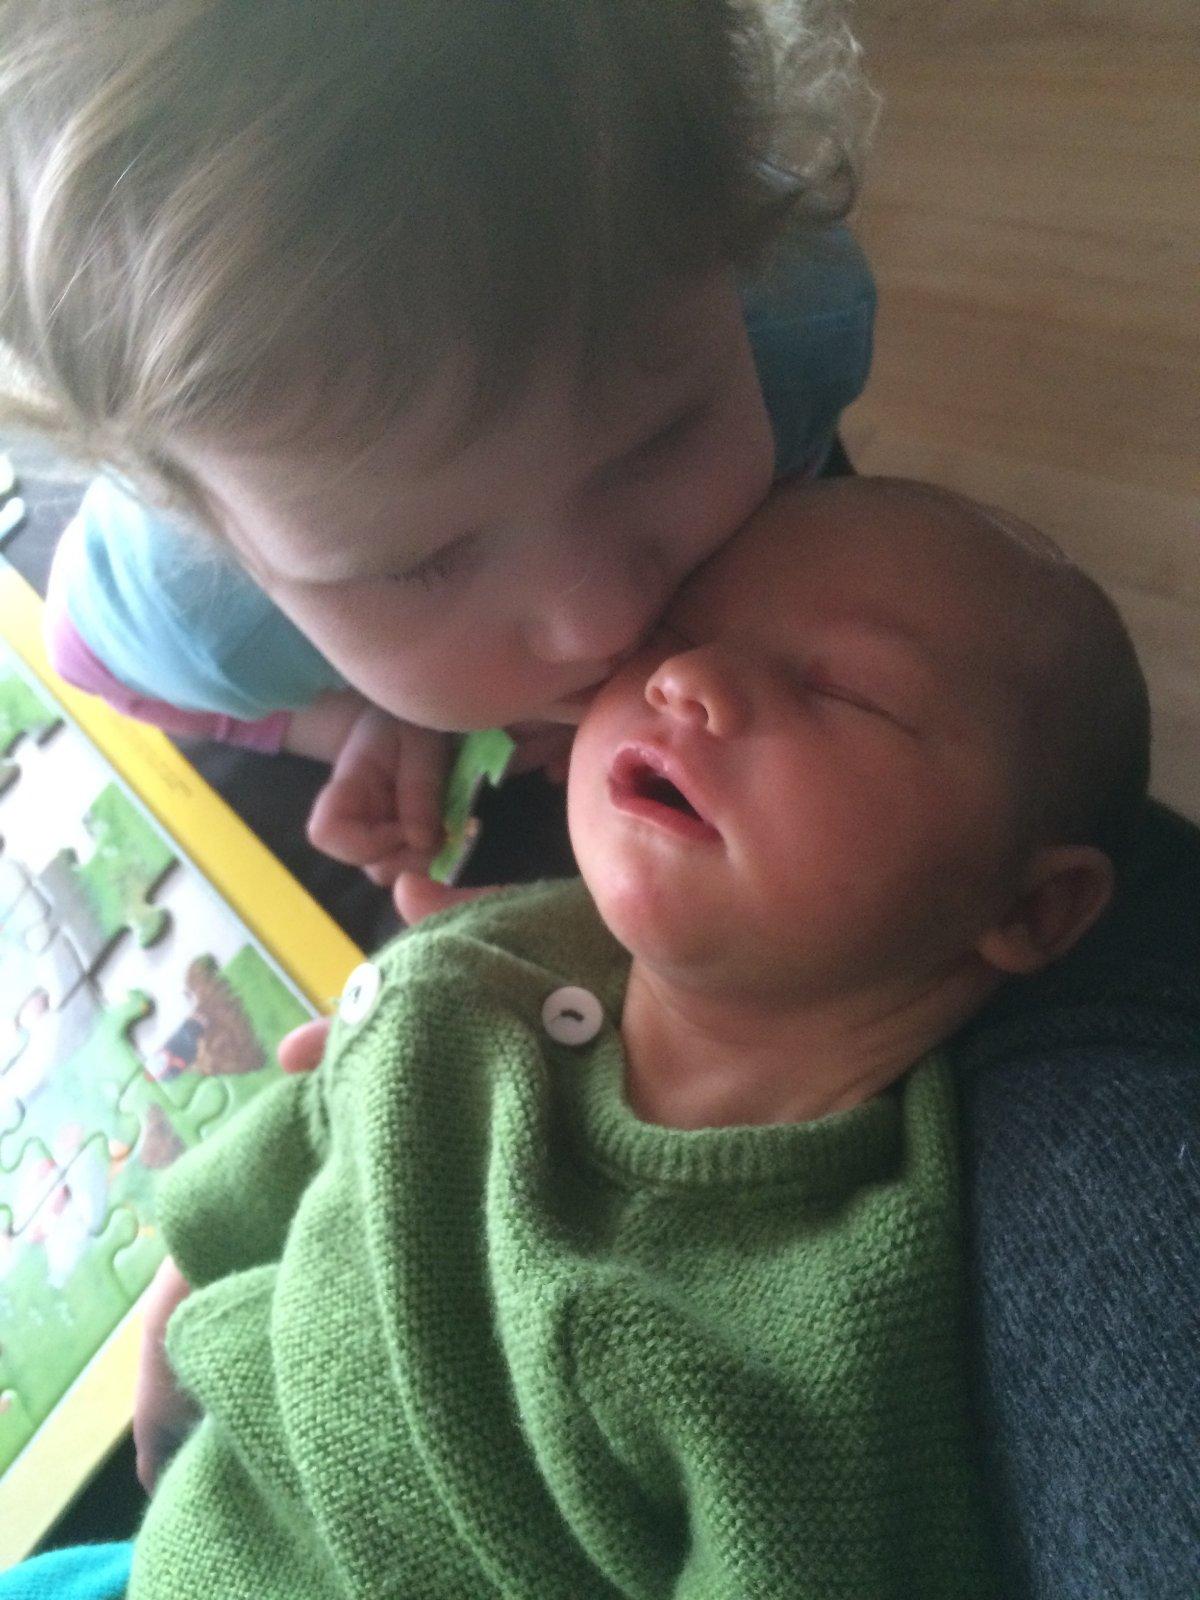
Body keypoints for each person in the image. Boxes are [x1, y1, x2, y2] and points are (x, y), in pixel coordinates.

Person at [0, 477, 1152, 1598]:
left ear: (1032, 906)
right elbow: (308, 1126)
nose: (688, 679)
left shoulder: (845, 1315)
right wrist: (191, 1268)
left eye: (847, 692)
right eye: (671, 635)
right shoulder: (474, 966)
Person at [1, 0, 877, 886]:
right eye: (419, 566)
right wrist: (352, 721)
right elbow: (88, 661)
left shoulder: (806, 320)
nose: (602, 619)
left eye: (660, 440)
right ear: (213, 532)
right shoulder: (197, 614)